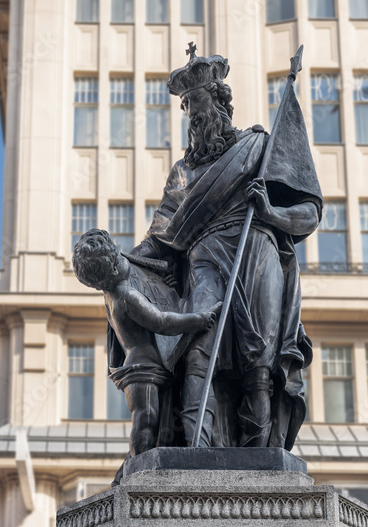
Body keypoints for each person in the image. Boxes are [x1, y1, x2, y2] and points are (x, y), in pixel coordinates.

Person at [131, 46, 321, 449]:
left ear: (218, 100)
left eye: (195, 103)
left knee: (260, 362)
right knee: (198, 351)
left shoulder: (259, 149)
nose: (191, 115)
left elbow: (308, 213)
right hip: (203, 263)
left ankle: (261, 460)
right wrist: (121, 265)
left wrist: (271, 212)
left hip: (256, 251)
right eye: (185, 108)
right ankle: (195, 455)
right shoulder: (182, 173)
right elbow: (160, 239)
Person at [72, 229, 221, 457]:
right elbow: (161, 321)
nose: (126, 262)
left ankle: (144, 460)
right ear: (111, 268)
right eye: (119, 261)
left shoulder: (118, 284)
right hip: (141, 369)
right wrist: (198, 319)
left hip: (154, 364)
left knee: (157, 420)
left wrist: (166, 283)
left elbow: (155, 290)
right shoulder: (125, 296)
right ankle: (138, 463)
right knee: (146, 417)